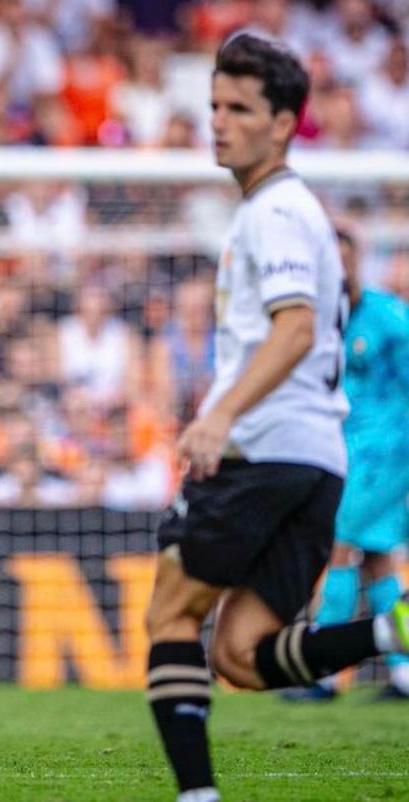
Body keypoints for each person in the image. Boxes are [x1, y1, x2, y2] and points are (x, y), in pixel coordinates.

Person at [143, 34, 409, 802]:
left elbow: (294, 327)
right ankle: (390, 635)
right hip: (316, 459)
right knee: (243, 656)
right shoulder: (283, 212)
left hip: (264, 449)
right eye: (214, 106)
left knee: (170, 610)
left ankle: (197, 797)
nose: (219, 123)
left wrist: (219, 412)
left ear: (285, 122)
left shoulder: (278, 212)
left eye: (240, 109)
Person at [283, 226, 409, 702]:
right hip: (348, 450)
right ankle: (403, 674)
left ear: (356, 265)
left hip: (388, 452)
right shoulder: (318, 321)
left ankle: (323, 672)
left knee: (337, 546)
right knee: (378, 559)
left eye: (344, 262)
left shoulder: (389, 318)